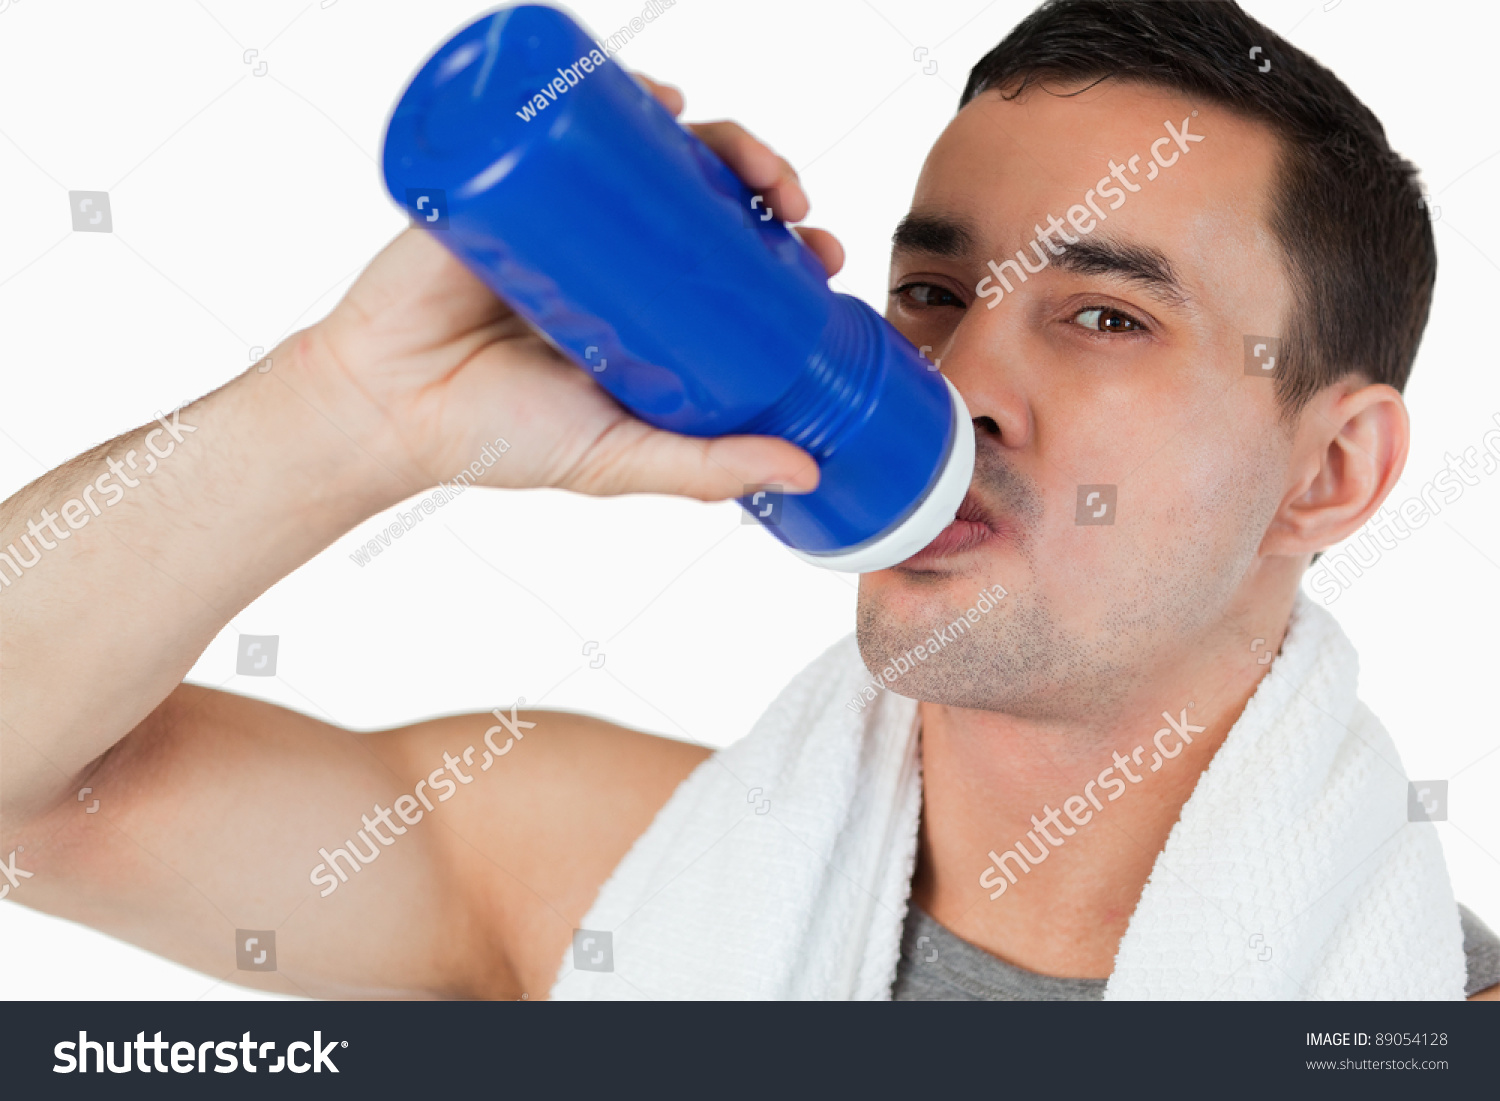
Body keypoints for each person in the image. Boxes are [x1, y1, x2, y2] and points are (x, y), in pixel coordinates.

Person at [2, 0, 1494, 1000]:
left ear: (1331, 472)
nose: (960, 374)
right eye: (930, 291)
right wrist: (349, 406)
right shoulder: (592, 876)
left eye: (1107, 315)